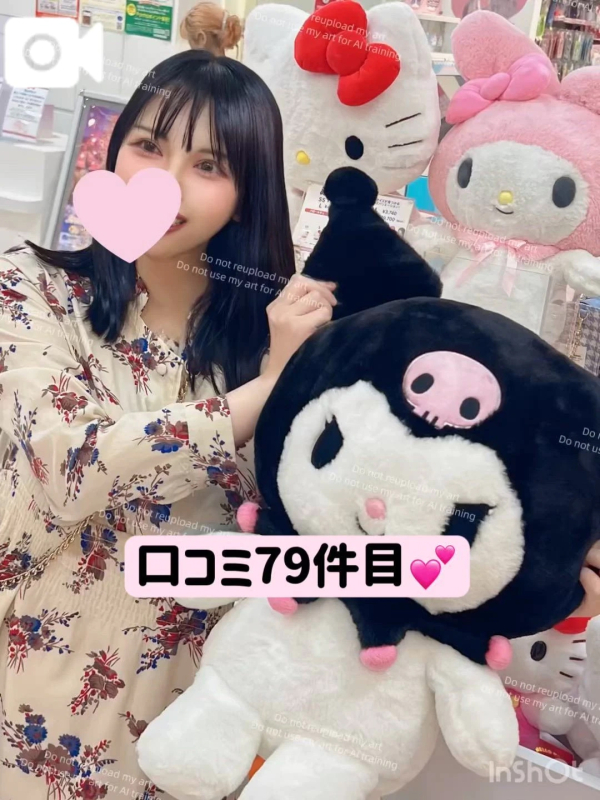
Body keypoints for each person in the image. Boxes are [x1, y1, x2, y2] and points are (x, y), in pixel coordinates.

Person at [0, 50, 336, 800]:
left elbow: (324, 535)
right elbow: (72, 469)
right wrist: (268, 392)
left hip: (193, 719)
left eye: (208, 164)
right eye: (149, 146)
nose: (166, 181)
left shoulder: (278, 339)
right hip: (36, 696)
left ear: (247, 198)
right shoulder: (32, 289)